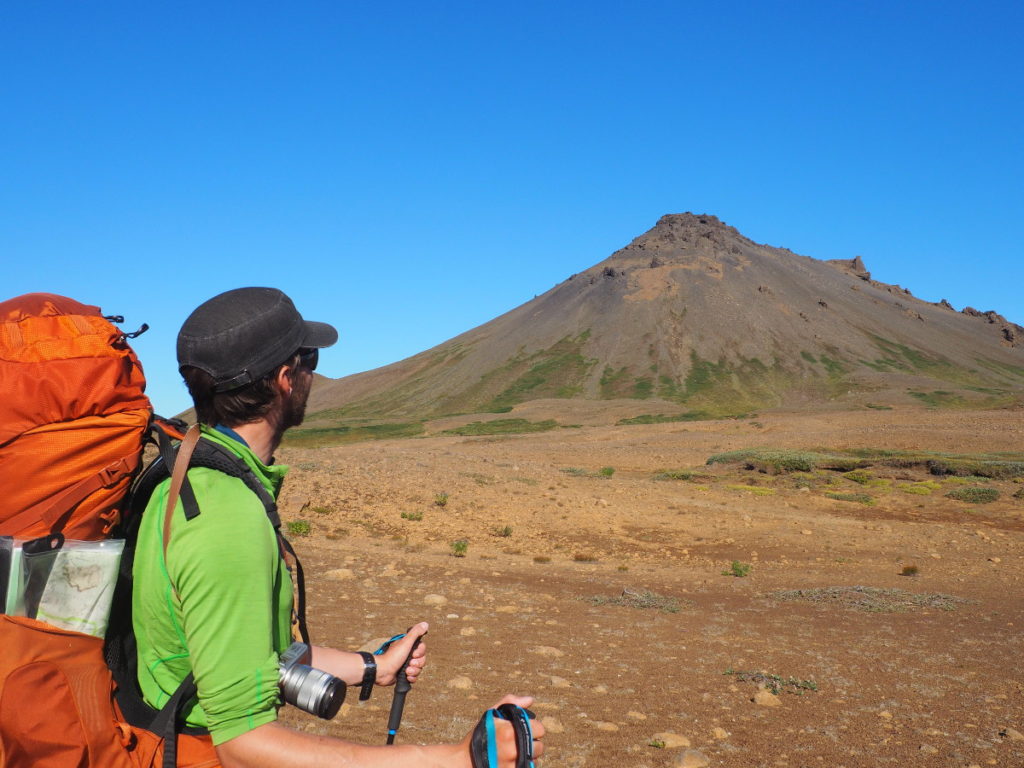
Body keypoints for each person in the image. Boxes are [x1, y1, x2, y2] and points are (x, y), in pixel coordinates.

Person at [132, 287, 544, 768]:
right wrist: (459, 757)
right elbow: (242, 743)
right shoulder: (226, 517)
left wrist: (372, 666)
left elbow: (243, 651)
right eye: (308, 358)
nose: (314, 372)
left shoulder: (188, 477)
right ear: (286, 379)